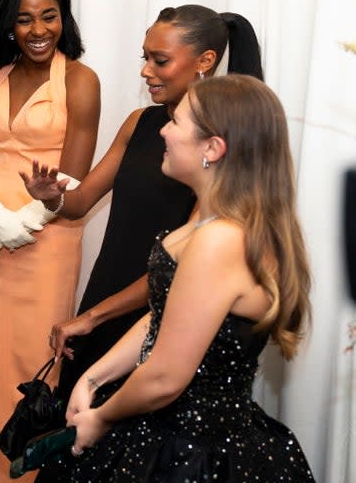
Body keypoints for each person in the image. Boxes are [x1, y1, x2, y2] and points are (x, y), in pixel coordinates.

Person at [22, 5, 265, 431]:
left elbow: (182, 263)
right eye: (145, 57)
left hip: (162, 307)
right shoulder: (141, 123)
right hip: (108, 289)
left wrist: (95, 316)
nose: (146, 71)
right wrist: (52, 199)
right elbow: (79, 203)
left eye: (160, 60)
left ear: (205, 61)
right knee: (79, 421)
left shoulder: (216, 148)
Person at [62, 75, 314, 481]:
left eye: (175, 122)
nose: (163, 129)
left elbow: (164, 378)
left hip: (194, 449)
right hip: (167, 428)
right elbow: (165, 317)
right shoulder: (209, 222)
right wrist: (95, 377)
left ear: (212, 149)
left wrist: (101, 418)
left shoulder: (222, 239)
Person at [0, 0, 100, 483]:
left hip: (48, 243)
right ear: (8, 25)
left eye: (49, 16)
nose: (38, 29)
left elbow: (74, 179)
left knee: (38, 368)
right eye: (24, 19)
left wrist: (23, 222)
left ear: (63, 19)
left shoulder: (81, 81)